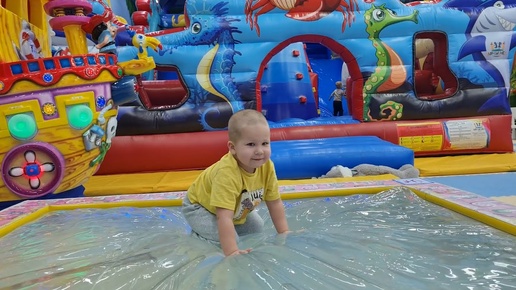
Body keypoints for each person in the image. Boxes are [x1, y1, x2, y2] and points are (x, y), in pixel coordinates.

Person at [182, 109, 290, 256]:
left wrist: (284, 232)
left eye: (265, 143)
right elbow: (224, 216)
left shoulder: (267, 166)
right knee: (227, 240)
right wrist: (232, 251)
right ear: (232, 148)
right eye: (251, 144)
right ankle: (198, 235)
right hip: (200, 207)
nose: (260, 151)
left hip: (234, 208)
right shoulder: (227, 173)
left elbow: (275, 203)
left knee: (256, 228)